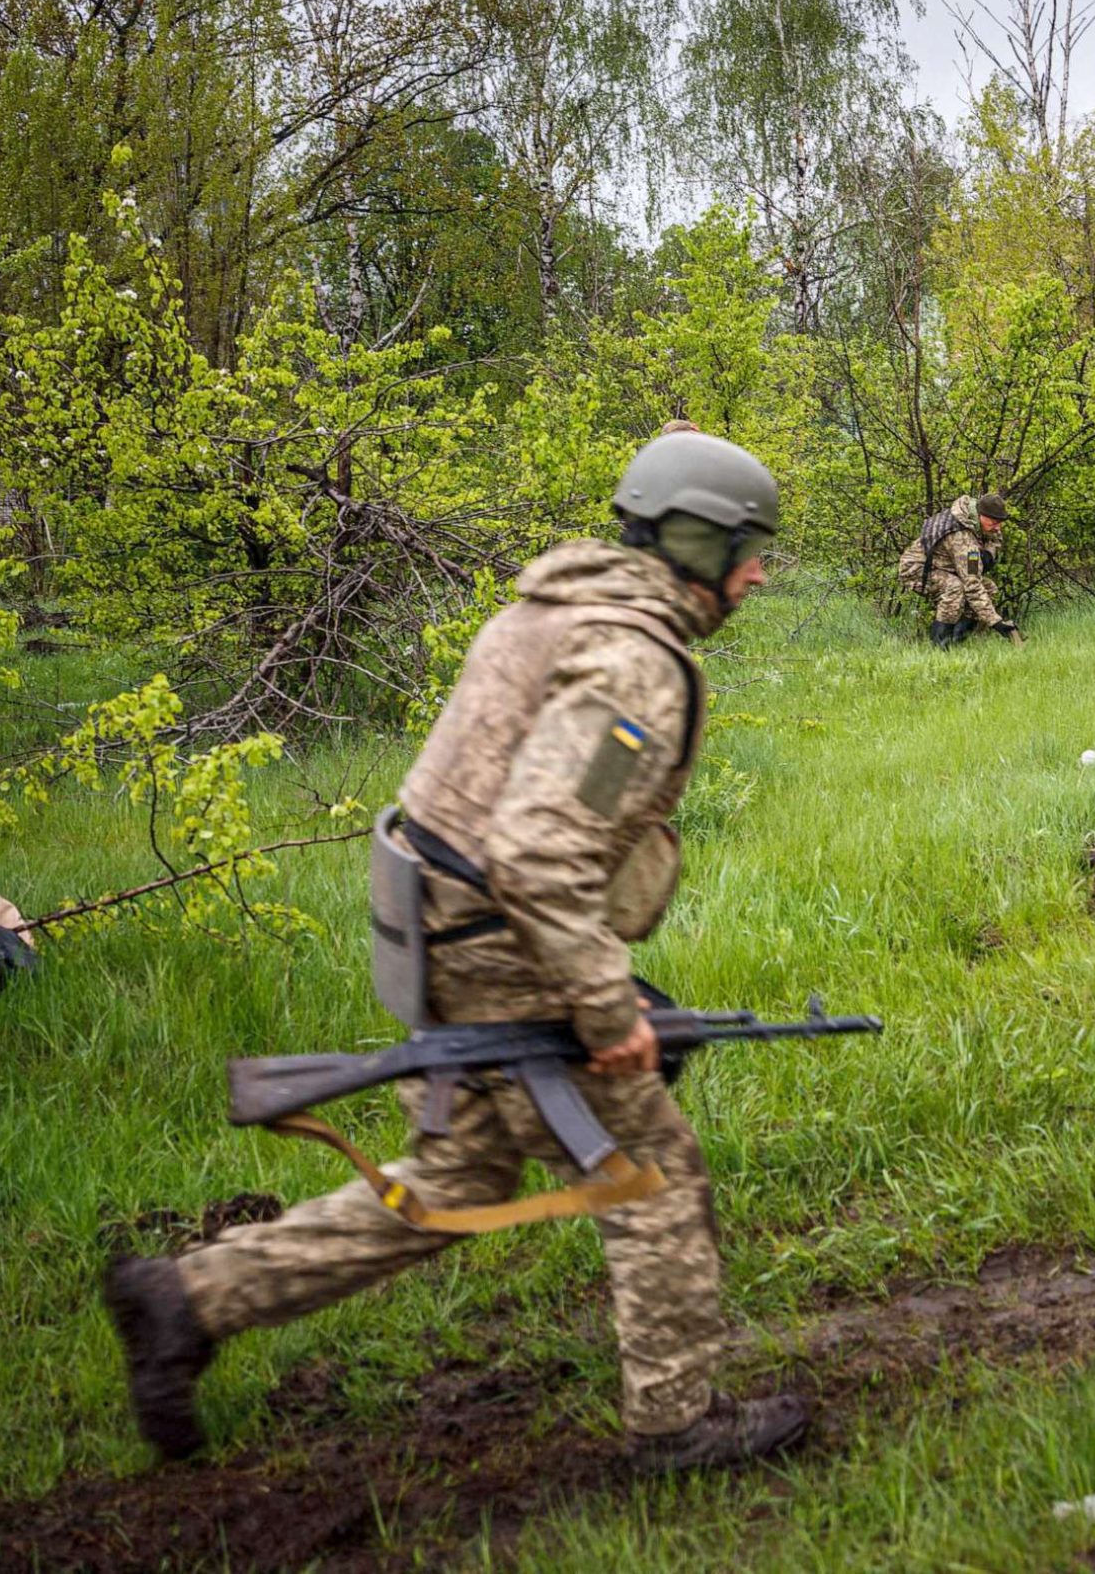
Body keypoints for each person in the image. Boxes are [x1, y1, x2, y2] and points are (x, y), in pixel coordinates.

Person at [104, 422, 812, 1473]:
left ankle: (189, 1299)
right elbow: (538, 850)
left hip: (443, 933)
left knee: (461, 1178)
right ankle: (676, 1421)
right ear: (692, 543)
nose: (756, 575)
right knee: (655, 1168)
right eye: (746, 549)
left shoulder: (553, 609)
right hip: (502, 940)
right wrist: (609, 1011)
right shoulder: (630, 662)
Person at [900, 493, 1021, 646]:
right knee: (955, 588)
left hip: (944, 565)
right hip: (916, 569)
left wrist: (989, 553)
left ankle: (960, 641)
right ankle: (940, 645)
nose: (998, 527)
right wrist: (996, 622)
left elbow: (996, 538)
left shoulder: (978, 519)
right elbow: (972, 586)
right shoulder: (963, 541)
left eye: (1000, 522)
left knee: (989, 588)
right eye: (994, 521)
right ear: (980, 515)